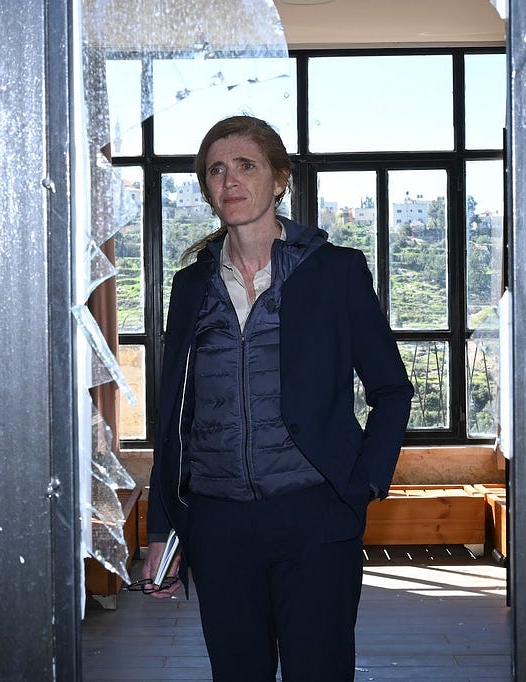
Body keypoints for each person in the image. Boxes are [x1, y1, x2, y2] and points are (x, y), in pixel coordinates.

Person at [141, 115, 414, 681]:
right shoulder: (191, 285)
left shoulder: (335, 272)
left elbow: (392, 389)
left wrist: (360, 486)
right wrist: (163, 530)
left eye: (246, 165)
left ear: (280, 179)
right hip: (217, 527)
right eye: (216, 170)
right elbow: (174, 417)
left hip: (315, 518)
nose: (230, 180)